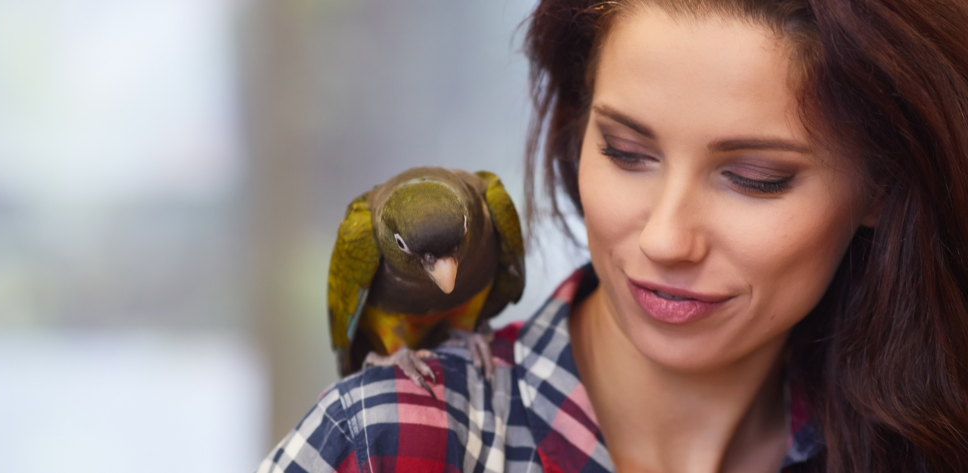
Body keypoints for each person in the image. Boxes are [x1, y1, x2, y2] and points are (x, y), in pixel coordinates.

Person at [256, 0, 968, 471]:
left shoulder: (927, 442)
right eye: (627, 153)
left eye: (753, 177)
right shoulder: (390, 439)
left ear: (882, 184)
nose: (666, 239)